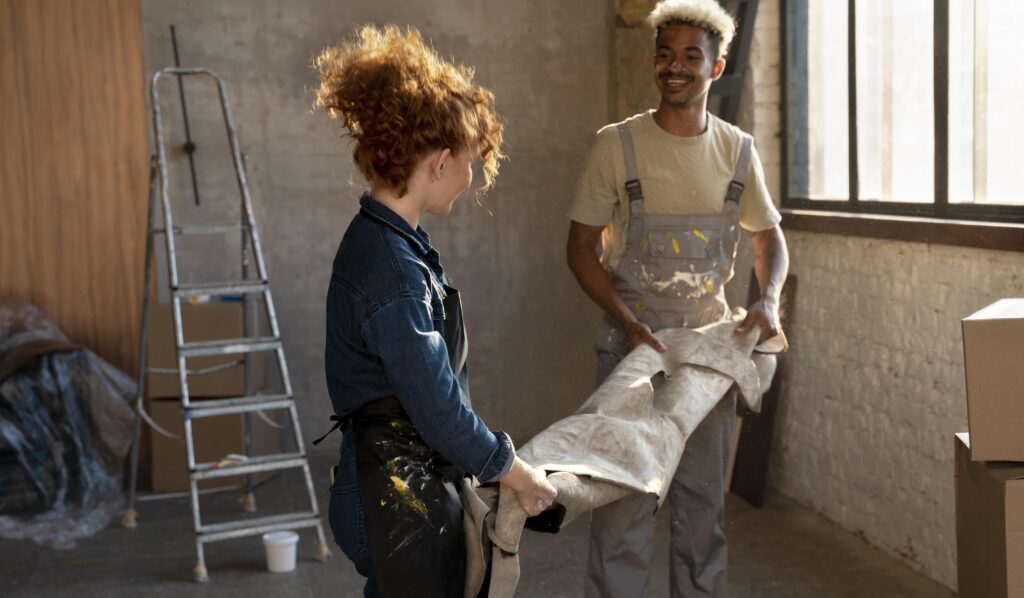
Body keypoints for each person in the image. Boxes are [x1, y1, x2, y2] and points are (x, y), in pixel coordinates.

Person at [313, 25, 556, 598]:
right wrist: (514, 471)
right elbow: (436, 405)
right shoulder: (393, 269)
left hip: (399, 479)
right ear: (441, 161)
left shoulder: (391, 243)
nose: (471, 180)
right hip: (391, 494)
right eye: (470, 164)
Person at [565, 0, 790, 596]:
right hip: (630, 357)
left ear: (716, 68)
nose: (675, 67)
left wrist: (768, 300)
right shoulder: (617, 146)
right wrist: (626, 320)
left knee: (700, 512)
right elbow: (580, 249)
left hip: (705, 363)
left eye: (692, 56)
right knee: (623, 509)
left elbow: (770, 239)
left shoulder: (737, 150)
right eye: (665, 54)